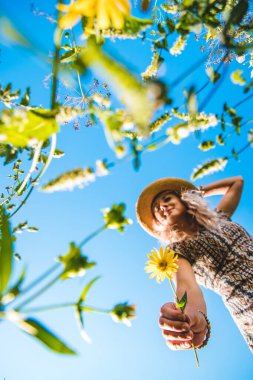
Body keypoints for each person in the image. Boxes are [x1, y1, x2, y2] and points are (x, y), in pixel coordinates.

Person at [136, 176, 253, 352]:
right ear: (159, 223)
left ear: (183, 199)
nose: (163, 206)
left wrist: (195, 194)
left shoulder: (218, 218)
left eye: (167, 199)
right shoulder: (176, 251)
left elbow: (237, 182)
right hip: (247, 300)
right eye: (157, 209)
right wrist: (191, 315)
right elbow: (187, 286)